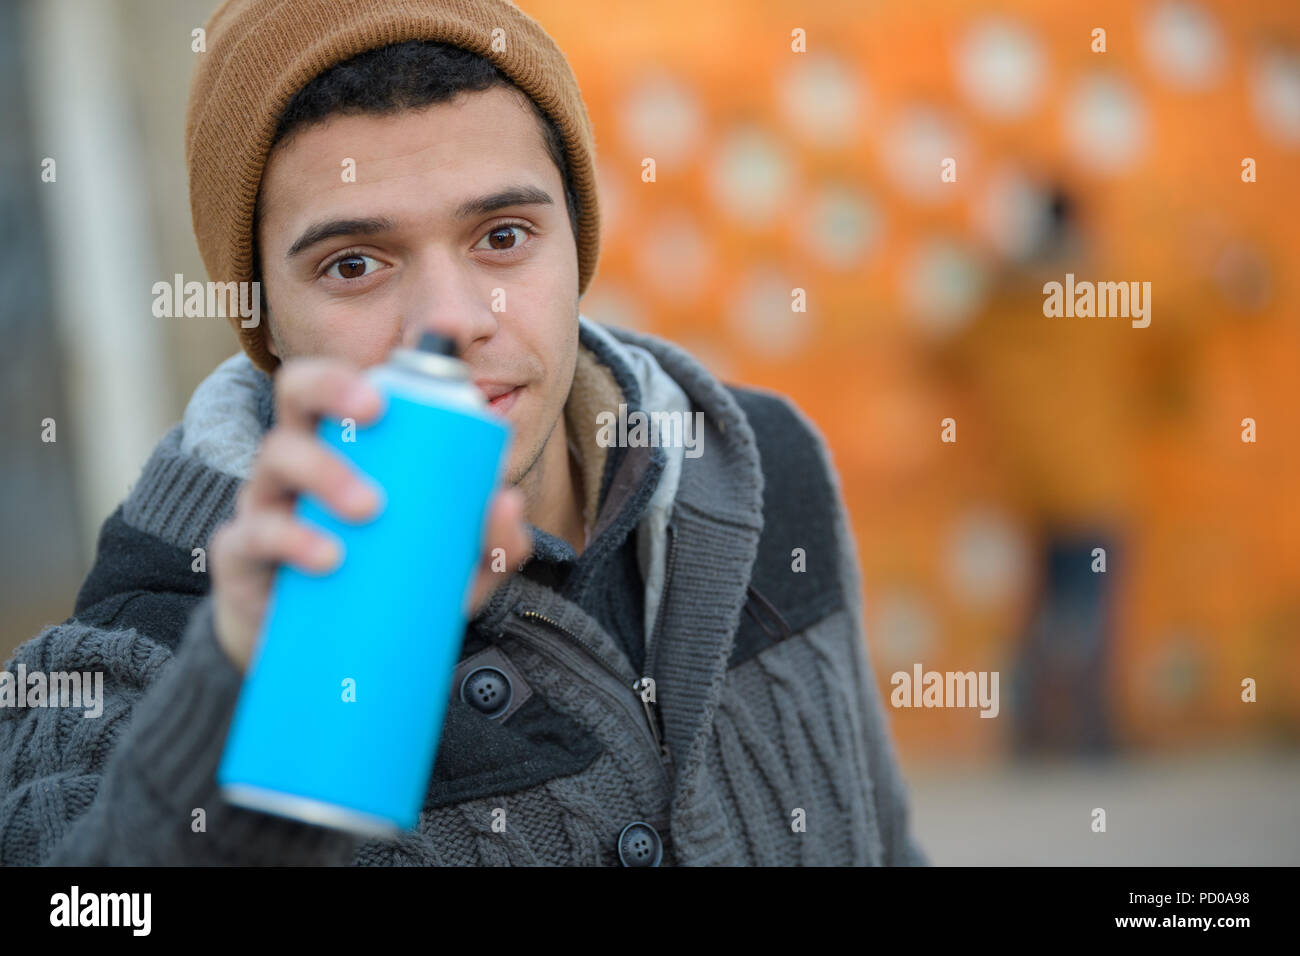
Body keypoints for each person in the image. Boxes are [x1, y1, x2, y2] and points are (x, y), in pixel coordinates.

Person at [0, 0, 926, 866]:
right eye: (354, 264)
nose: (450, 322)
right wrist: (245, 692)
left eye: (503, 237)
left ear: (578, 245)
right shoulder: (139, 653)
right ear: (262, 317)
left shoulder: (762, 463)